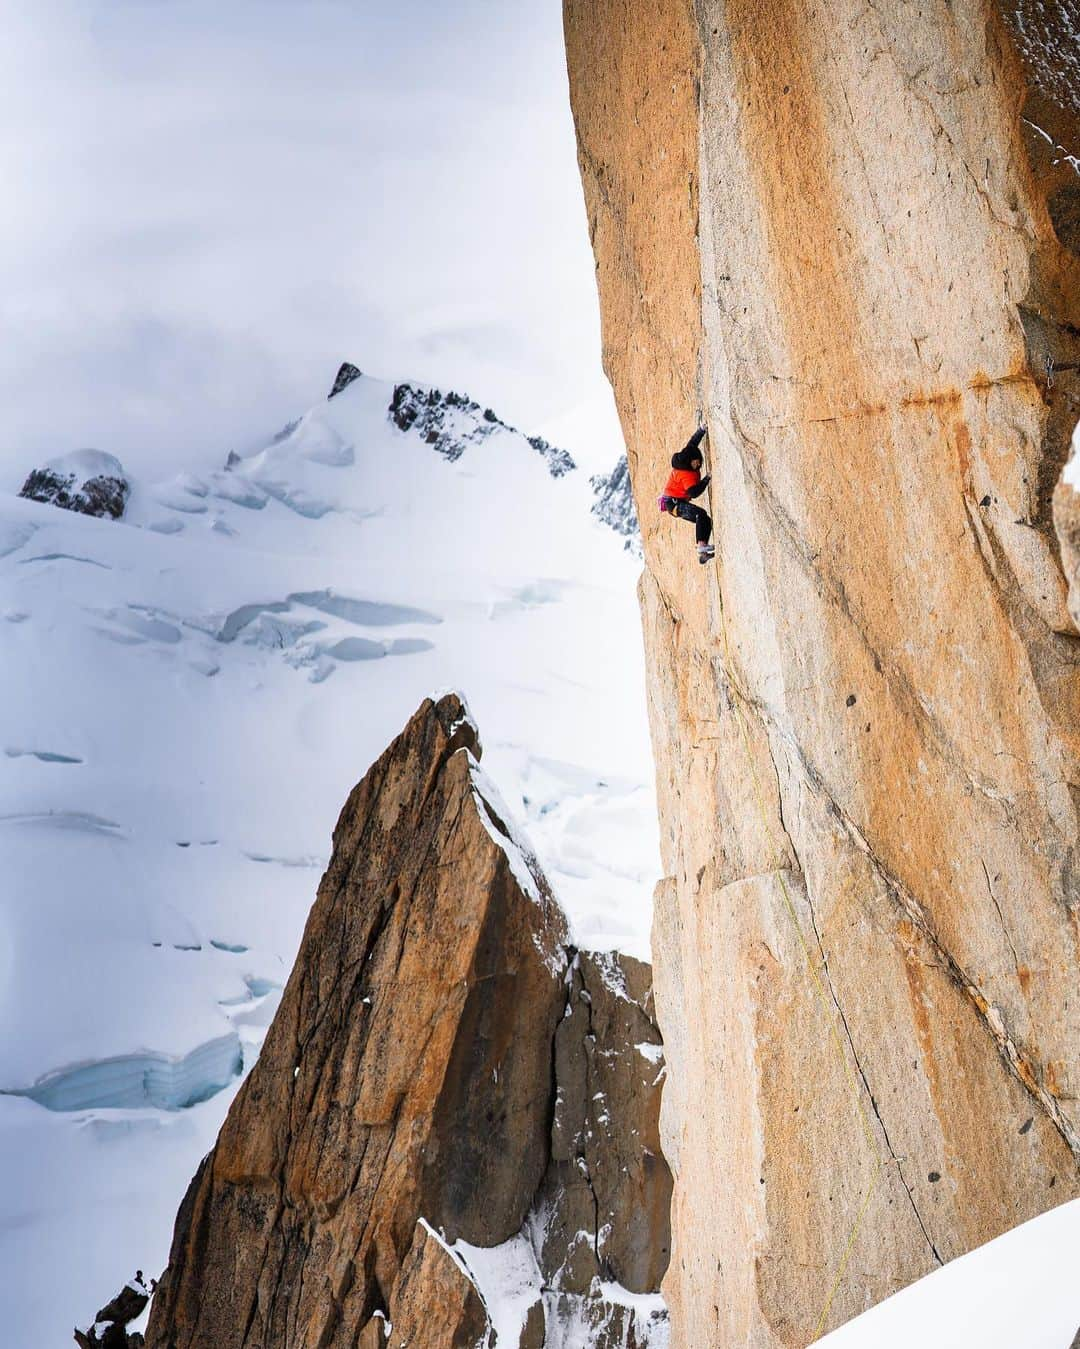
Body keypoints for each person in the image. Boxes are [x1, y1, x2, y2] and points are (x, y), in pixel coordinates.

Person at [659, 426, 713, 563]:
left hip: (676, 501)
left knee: (705, 520)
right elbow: (693, 493)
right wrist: (706, 479)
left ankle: (703, 552)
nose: (698, 463)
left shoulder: (687, 457)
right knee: (700, 514)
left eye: (697, 461)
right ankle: (701, 547)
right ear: (690, 462)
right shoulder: (686, 474)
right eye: (696, 463)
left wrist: (701, 430)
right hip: (674, 504)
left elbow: (693, 443)